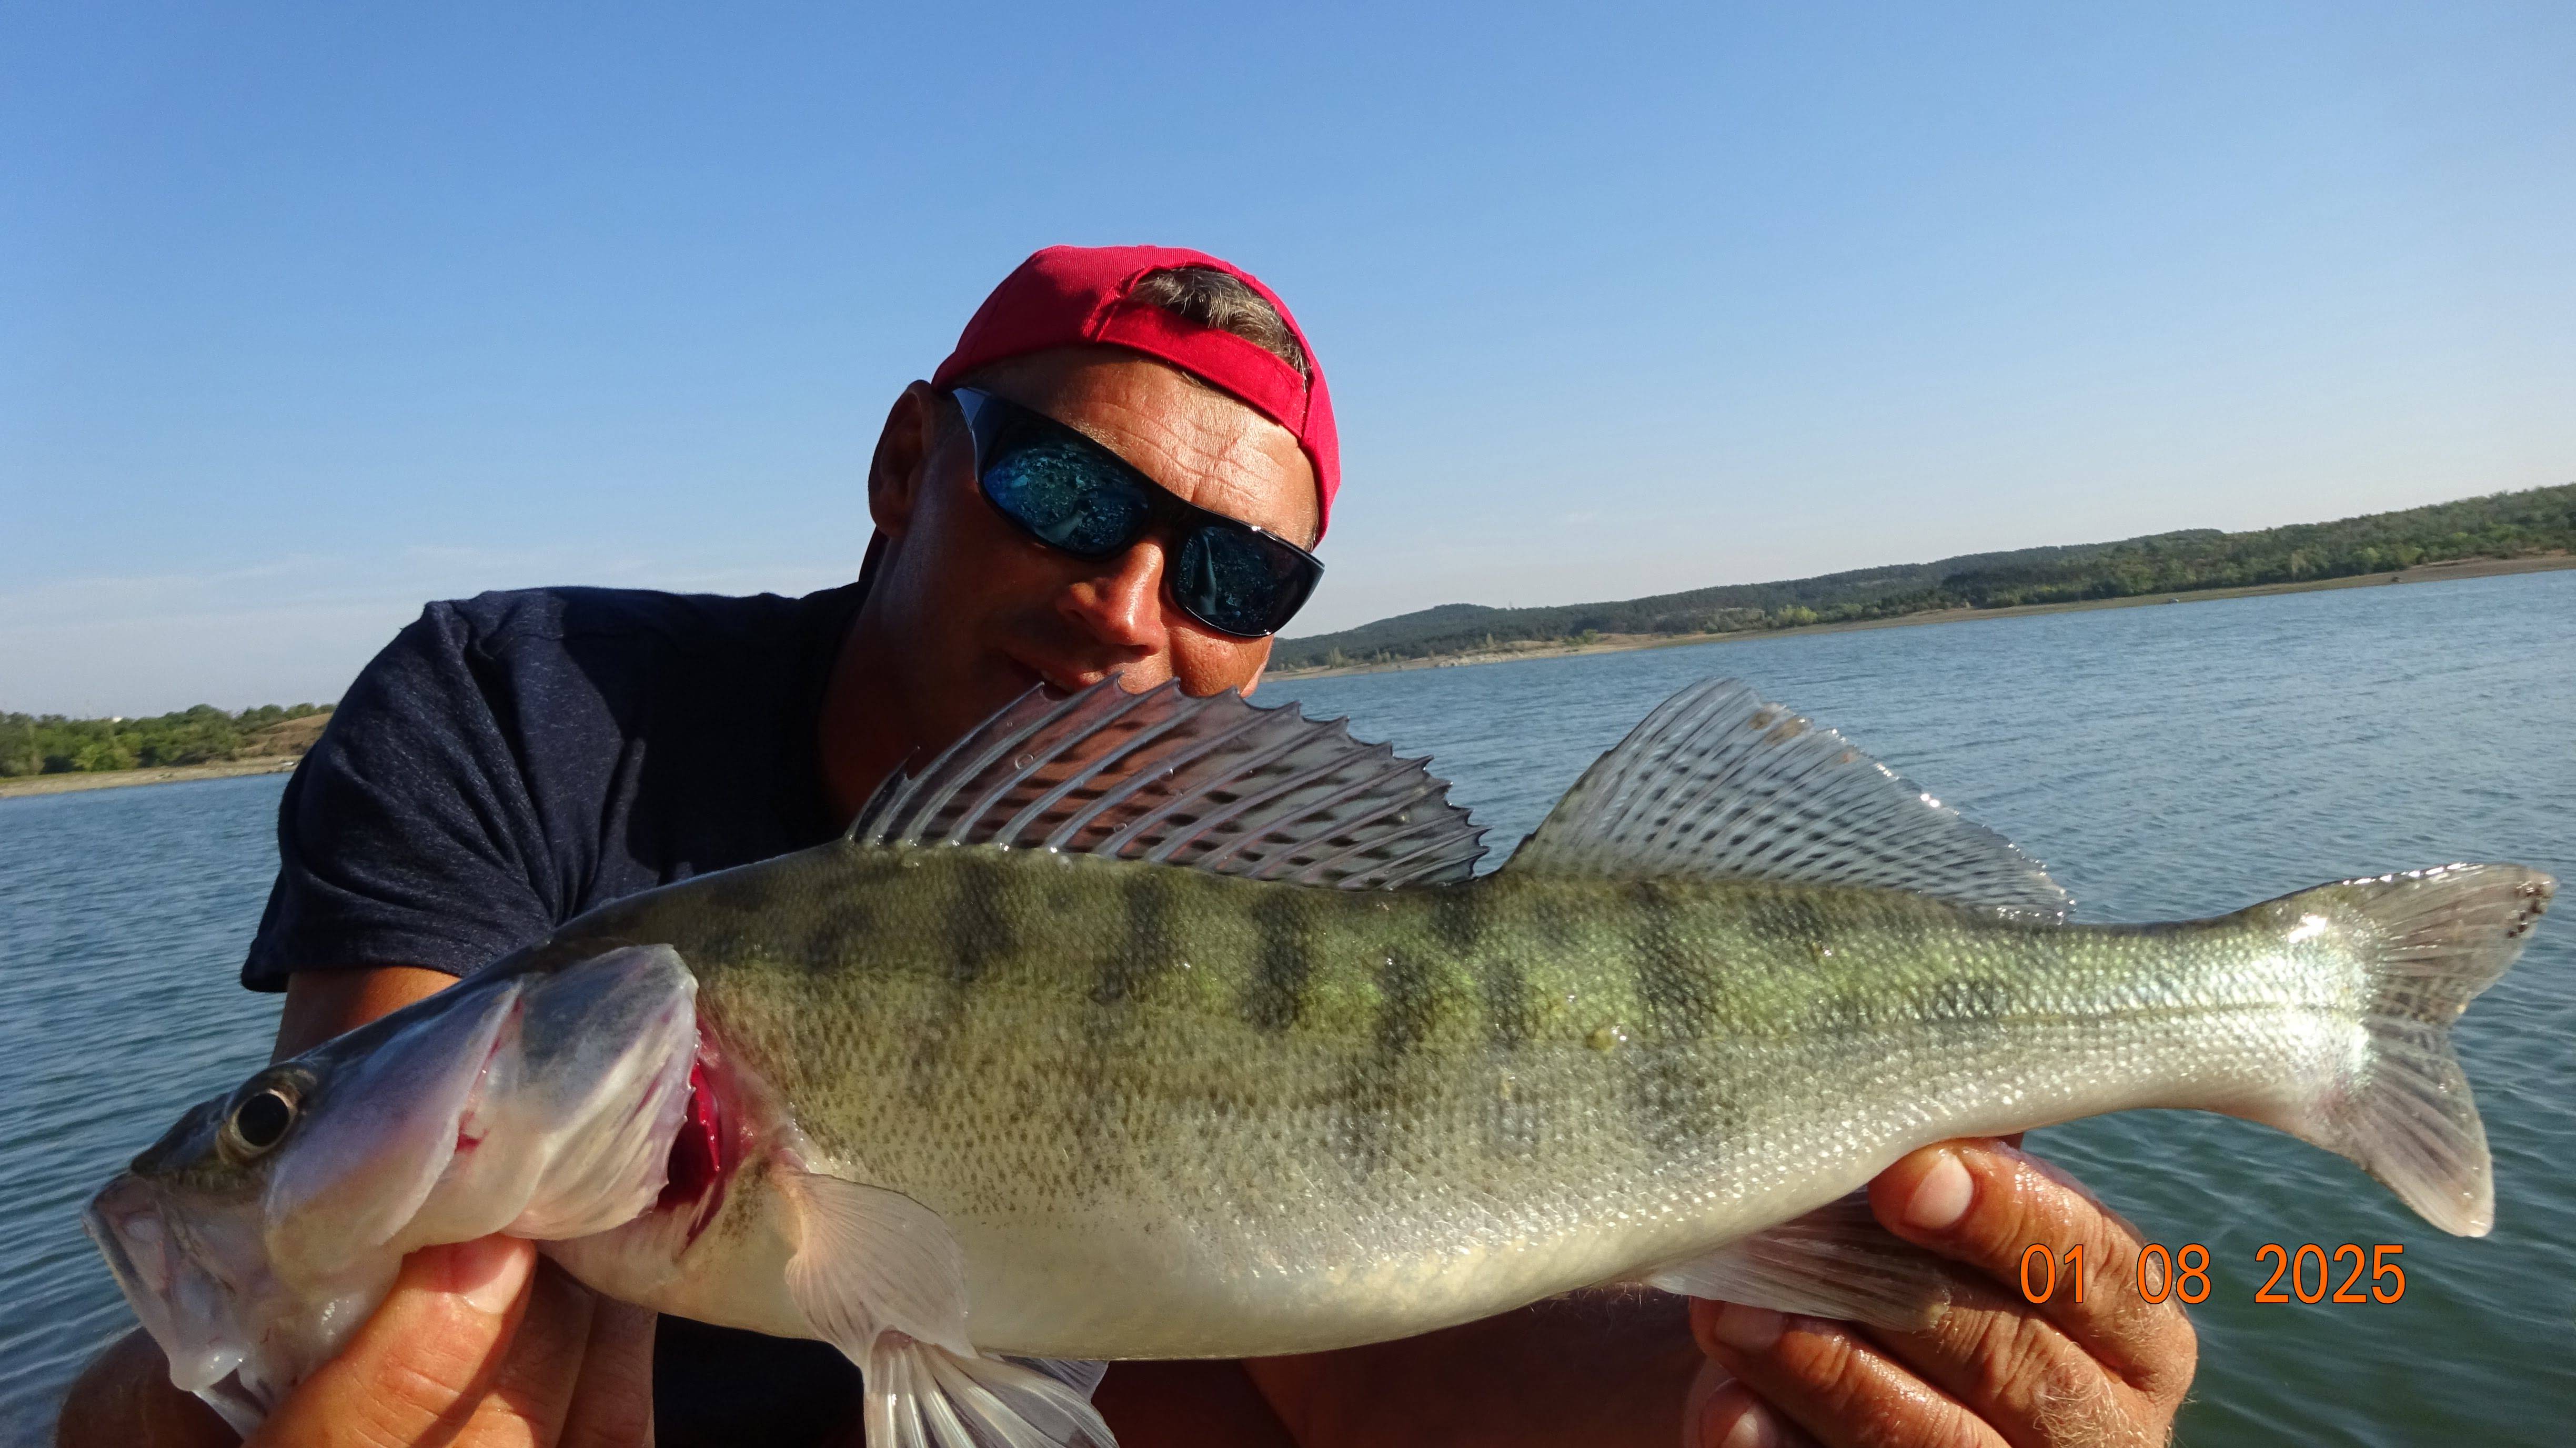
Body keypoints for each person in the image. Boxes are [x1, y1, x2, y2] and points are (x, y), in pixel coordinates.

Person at [59, 245, 2196, 1448]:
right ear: (908, 461)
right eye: (1070, 493)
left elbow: (1347, 1342)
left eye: (1239, 576)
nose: (1130, 606)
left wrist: (1781, 1383)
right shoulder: (528, 709)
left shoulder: (1226, 889)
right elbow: (363, 1243)